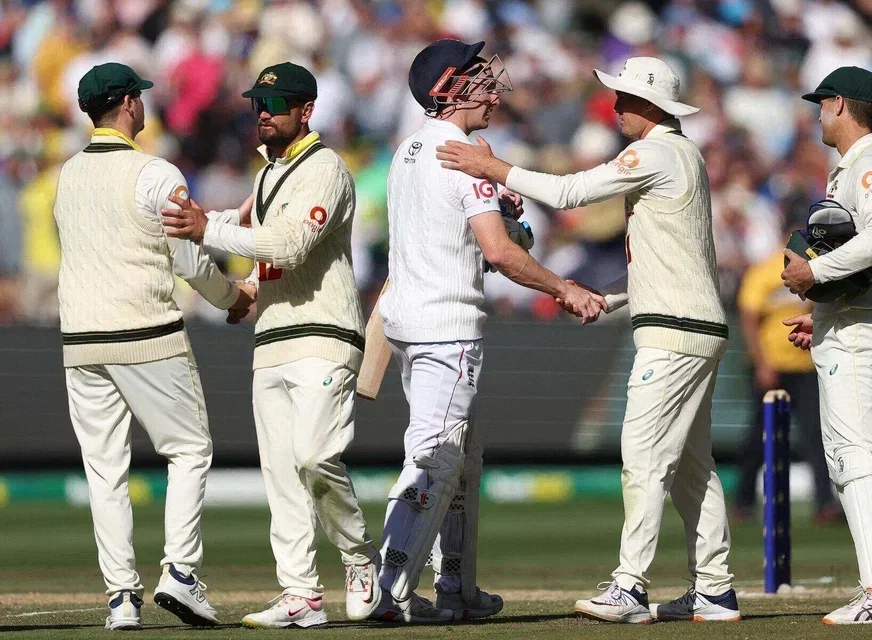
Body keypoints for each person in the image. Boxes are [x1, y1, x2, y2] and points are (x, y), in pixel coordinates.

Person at [437, 56, 740, 624]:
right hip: (690, 321)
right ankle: (715, 590)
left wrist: (494, 167)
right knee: (694, 466)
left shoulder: (655, 151)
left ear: (650, 106)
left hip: (674, 333)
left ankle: (630, 586)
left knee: (643, 458)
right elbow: (672, 259)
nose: (615, 106)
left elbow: (573, 192)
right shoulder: (684, 155)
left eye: (624, 98)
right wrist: (611, 299)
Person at [374, 38, 605, 623]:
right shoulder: (463, 155)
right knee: (436, 459)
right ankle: (389, 589)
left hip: (412, 321)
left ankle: (457, 588)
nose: (492, 83)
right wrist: (567, 289)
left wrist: (504, 208)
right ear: (448, 89)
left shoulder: (408, 150)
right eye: (477, 74)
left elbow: (493, 237)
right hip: (446, 327)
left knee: (461, 462)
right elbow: (501, 255)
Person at [162, 62, 381, 629]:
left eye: (275, 103)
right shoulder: (265, 177)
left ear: (305, 111)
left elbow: (289, 246)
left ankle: (359, 558)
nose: (263, 112)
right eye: (257, 102)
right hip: (272, 338)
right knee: (283, 474)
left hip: (326, 333)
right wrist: (243, 287)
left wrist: (204, 229)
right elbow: (266, 261)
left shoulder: (326, 169)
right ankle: (301, 594)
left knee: (314, 456)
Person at [54, 62, 254, 631]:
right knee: (189, 451)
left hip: (81, 341)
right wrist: (232, 298)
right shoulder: (155, 172)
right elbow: (188, 260)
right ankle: (182, 575)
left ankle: (121, 598)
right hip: (146, 334)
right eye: (138, 98)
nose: (145, 105)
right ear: (126, 105)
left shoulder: (66, 173)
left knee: (104, 470)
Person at [781, 66, 872, 624]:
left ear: (840, 104)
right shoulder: (857, 165)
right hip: (848, 324)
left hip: (861, 331)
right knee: (848, 460)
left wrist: (814, 276)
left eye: (822, 103)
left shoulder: (867, 165)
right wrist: (820, 314)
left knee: (857, 458)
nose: (818, 112)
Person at [735, 219, 841, 526]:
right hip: (772, 368)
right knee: (759, 438)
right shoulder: (765, 270)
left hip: (806, 368)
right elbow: (749, 320)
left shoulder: (814, 269)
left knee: (815, 436)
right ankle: (742, 503)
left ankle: (824, 504)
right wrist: (762, 363)